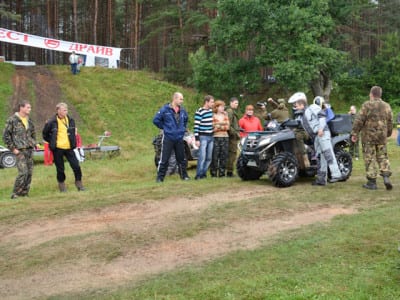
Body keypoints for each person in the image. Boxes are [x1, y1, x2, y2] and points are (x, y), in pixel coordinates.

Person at [351, 86, 393, 190]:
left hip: (368, 137)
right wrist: (388, 133)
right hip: (381, 137)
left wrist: (354, 133)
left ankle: (372, 182)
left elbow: (359, 120)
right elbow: (390, 121)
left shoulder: (367, 105)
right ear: (380, 94)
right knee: (382, 156)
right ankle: (386, 176)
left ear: (371, 94)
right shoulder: (386, 106)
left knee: (369, 158)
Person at [42, 102, 85, 192]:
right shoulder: (51, 122)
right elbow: (45, 134)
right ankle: (62, 186)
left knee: (76, 166)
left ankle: (79, 184)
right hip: (58, 149)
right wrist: (52, 142)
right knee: (60, 168)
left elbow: (73, 132)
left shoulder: (71, 120)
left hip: (69, 147)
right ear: (58, 111)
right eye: (64, 110)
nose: (66, 111)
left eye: (66, 110)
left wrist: (73, 141)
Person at [303, 96, 344, 186]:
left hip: (322, 134)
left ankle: (336, 174)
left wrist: (321, 129)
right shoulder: (312, 110)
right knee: (320, 157)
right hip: (318, 135)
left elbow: (322, 117)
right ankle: (321, 179)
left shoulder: (316, 108)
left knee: (327, 153)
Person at [153, 92, 190, 182]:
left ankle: (184, 176)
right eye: (181, 99)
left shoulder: (183, 110)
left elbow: (185, 120)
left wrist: (182, 129)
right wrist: (165, 128)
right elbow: (155, 120)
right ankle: (160, 178)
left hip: (179, 138)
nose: (182, 101)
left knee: (181, 159)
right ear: (175, 99)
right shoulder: (165, 109)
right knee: (164, 159)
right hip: (168, 138)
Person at [3, 100, 36, 199]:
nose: (29, 109)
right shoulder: (12, 120)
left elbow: (33, 133)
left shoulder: (29, 120)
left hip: (29, 150)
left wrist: (33, 143)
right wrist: (13, 149)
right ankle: (16, 194)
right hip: (19, 150)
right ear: (21, 108)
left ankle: (25, 193)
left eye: (30, 107)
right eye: (28, 107)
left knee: (29, 173)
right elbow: (6, 136)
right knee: (23, 172)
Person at [194, 95, 215, 179]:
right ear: (206, 102)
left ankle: (203, 174)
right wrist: (197, 139)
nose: (213, 104)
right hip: (203, 137)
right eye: (212, 102)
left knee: (209, 157)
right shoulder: (199, 111)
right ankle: (198, 175)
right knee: (202, 157)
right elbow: (196, 126)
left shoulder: (211, 111)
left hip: (211, 137)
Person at [287, 92, 310, 168]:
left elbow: (306, 124)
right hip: (300, 130)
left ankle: (305, 157)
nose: (295, 105)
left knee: (298, 136)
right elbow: (293, 121)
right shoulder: (297, 113)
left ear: (302, 105)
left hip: (307, 132)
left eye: (296, 104)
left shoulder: (307, 112)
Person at [210, 100, 229, 177]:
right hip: (216, 137)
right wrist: (222, 124)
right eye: (221, 107)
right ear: (216, 107)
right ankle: (213, 173)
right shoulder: (213, 116)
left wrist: (218, 125)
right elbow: (213, 126)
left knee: (223, 156)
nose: (222, 108)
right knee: (215, 156)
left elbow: (227, 127)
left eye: (223, 107)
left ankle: (222, 173)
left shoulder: (225, 116)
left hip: (225, 137)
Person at [225, 97, 241, 177]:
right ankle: (229, 172)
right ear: (231, 103)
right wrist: (235, 133)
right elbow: (229, 125)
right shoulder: (230, 111)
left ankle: (229, 170)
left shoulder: (232, 111)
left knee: (232, 153)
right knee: (232, 153)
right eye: (235, 103)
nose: (236, 105)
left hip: (232, 135)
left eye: (237, 103)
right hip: (231, 136)